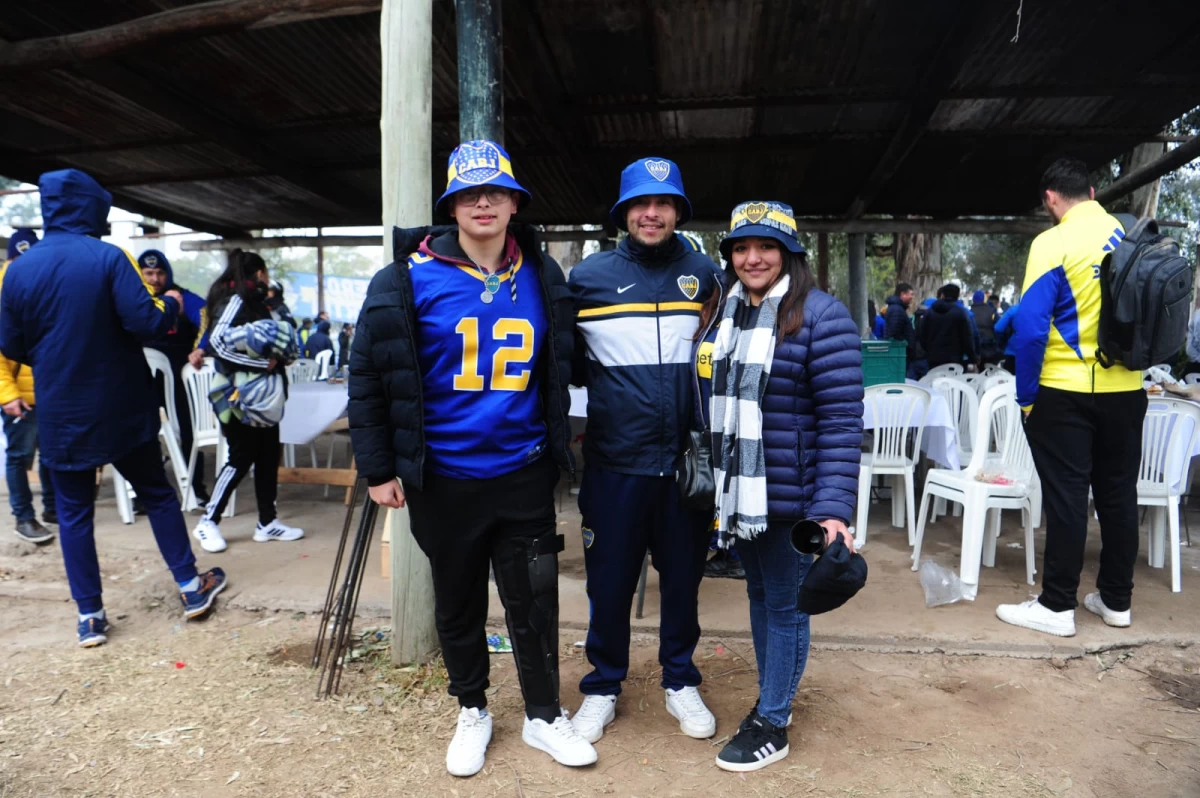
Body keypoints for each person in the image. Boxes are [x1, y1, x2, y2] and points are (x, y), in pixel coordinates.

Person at [349, 140, 596, 775]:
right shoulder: (404, 278)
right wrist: (378, 468)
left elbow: (569, 360)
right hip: (443, 477)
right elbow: (369, 376)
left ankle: (544, 714)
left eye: (495, 192)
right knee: (456, 602)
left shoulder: (543, 275)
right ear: (451, 205)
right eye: (468, 193)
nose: (482, 203)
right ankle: (473, 709)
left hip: (523, 470)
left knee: (534, 601)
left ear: (514, 203)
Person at [0, 169, 226, 647]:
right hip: (122, 404)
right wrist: (169, 303)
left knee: (73, 513)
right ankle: (191, 587)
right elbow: (147, 323)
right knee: (157, 494)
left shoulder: (17, 270)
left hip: (61, 410)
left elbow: (11, 345)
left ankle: (90, 617)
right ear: (91, 207)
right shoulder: (108, 257)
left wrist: (55, 353)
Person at [696, 201, 863, 771]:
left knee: (787, 608)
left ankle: (773, 722)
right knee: (760, 596)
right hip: (742, 496)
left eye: (766, 246)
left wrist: (832, 509)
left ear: (790, 253)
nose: (752, 258)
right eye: (741, 248)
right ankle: (771, 701)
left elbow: (841, 422)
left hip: (793, 499)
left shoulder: (822, 317)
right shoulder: (726, 313)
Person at [568, 157, 722, 744]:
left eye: (663, 204)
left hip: (686, 466)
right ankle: (603, 687)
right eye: (640, 204)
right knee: (608, 584)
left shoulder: (707, 275)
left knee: (682, 582)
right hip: (615, 464)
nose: (651, 214)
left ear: (678, 211)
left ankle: (680, 680)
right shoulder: (589, 278)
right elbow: (566, 363)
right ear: (623, 213)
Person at [997, 157, 1146, 637]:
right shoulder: (1131, 236)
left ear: (1050, 198)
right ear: (1093, 193)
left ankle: (1057, 606)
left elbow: (1030, 330)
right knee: (1119, 496)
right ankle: (1116, 601)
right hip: (1128, 392)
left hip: (1066, 392)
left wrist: (1027, 398)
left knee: (1067, 499)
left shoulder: (1053, 242)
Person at [191, 250, 303, 553]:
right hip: (236, 398)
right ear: (259, 272)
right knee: (240, 457)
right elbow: (217, 342)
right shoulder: (236, 299)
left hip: (263, 398)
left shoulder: (257, 301)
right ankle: (208, 521)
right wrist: (260, 364)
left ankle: (267, 522)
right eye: (265, 273)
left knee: (268, 456)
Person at [138, 249, 210, 503]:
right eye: (148, 273)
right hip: (141, 378)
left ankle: (196, 489)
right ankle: (143, 494)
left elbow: (207, 318)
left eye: (160, 273)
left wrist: (200, 348)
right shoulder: (133, 299)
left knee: (189, 430)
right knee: (141, 434)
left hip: (180, 377)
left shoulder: (182, 297)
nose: (155, 279)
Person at [0, 227, 55, 544]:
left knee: (51, 454)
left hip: (49, 391)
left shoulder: (42, 293)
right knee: (20, 456)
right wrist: (8, 396)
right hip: (17, 396)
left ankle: (53, 509)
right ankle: (24, 517)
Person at [918, 283, 977, 370]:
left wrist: (928, 350)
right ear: (957, 296)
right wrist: (972, 358)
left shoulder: (929, 312)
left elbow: (921, 333)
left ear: (943, 294)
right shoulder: (961, 313)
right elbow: (967, 337)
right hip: (955, 359)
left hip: (933, 358)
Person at [970, 289, 999, 364]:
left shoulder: (968, 313)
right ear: (984, 299)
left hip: (974, 347)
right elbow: (999, 328)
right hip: (990, 346)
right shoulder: (992, 312)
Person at [993, 301, 1020, 375]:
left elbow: (998, 328)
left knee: (1010, 379)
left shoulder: (1014, 309)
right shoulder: (1039, 309)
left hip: (1013, 351)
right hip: (1034, 352)